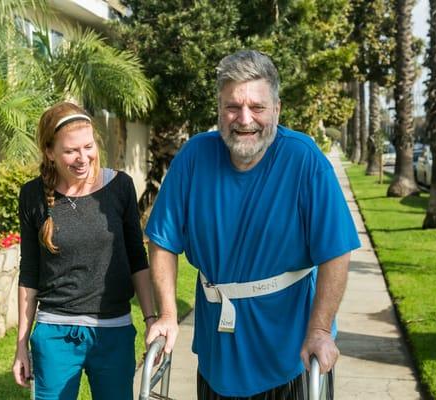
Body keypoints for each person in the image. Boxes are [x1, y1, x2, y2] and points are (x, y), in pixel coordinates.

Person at [145, 50, 361, 398]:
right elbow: (163, 242)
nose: (244, 119)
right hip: (218, 358)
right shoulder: (194, 158)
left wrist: (320, 330)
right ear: (219, 108)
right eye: (233, 106)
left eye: (257, 107)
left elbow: (336, 251)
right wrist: (168, 315)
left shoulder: (304, 160)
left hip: (289, 357)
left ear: (276, 109)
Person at [12, 102, 155, 400]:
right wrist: (21, 345)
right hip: (54, 333)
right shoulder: (32, 195)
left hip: (113, 332)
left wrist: (151, 319)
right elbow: (30, 273)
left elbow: (137, 259)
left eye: (88, 146)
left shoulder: (121, 187)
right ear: (50, 152)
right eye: (70, 151)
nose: (82, 158)